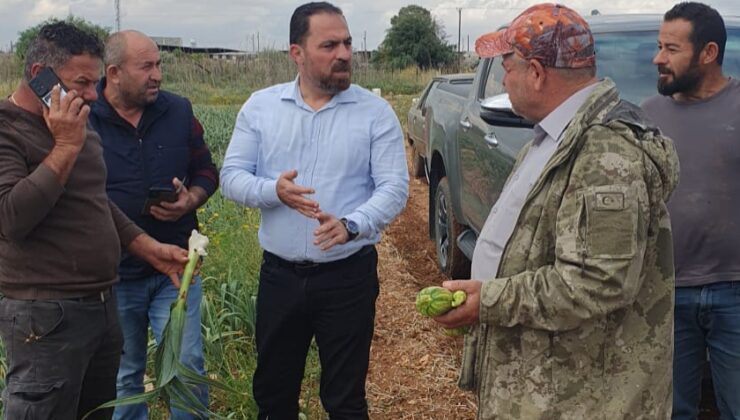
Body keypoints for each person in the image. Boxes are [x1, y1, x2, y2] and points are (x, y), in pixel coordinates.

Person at [433, 3, 680, 418]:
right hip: (546, 388)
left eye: (507, 67)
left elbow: (598, 282)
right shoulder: (552, 138)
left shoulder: (604, 154)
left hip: (579, 400)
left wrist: (489, 300)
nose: (503, 80)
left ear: (536, 72)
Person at [220, 2, 408, 418]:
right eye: (329, 45)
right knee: (273, 393)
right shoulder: (261, 107)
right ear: (297, 53)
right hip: (280, 277)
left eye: (346, 43)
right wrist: (275, 191)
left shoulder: (374, 113)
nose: (343, 54)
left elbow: (394, 186)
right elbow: (230, 176)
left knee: (345, 399)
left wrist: (352, 224)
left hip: (348, 277)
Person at [0, 22, 189, 420]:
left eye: (95, 81)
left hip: (102, 305)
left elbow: (94, 202)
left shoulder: (77, 123)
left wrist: (147, 247)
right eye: (81, 83)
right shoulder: (8, 129)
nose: (91, 94)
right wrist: (66, 145)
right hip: (46, 315)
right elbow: (12, 218)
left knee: (97, 412)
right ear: (39, 76)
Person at [88, 30, 218, 419]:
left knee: (186, 366)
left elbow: (206, 171)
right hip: (114, 275)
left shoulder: (177, 111)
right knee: (123, 375)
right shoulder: (85, 116)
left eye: (159, 64)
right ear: (113, 72)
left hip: (176, 269)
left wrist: (190, 200)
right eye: (146, 66)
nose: (158, 75)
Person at [641, 3, 740, 419]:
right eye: (659, 46)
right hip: (665, 292)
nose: (658, 58)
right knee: (671, 410)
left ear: (708, 53)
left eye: (671, 48)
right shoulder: (646, 117)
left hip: (735, 290)